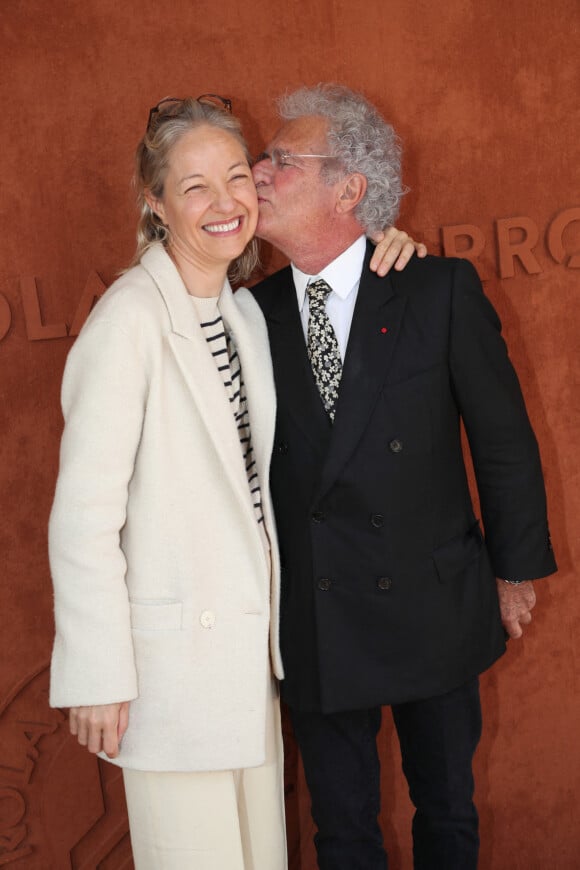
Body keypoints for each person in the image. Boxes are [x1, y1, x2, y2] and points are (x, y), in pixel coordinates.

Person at [48, 94, 420, 870]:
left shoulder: (245, 314)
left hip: (248, 669)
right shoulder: (127, 322)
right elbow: (83, 516)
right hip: (168, 675)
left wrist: (383, 246)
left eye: (235, 178)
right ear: (155, 203)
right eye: (193, 187)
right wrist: (97, 674)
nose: (224, 204)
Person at [250, 84, 557, 870]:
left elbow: (504, 440)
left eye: (281, 160)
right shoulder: (248, 314)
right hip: (315, 615)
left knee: (447, 808)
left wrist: (516, 571)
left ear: (348, 187)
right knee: (340, 830)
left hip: (434, 598)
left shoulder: (435, 288)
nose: (257, 171)